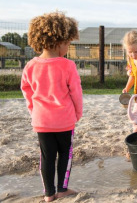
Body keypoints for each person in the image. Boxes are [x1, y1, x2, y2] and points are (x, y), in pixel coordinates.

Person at [21, 11, 82, 202]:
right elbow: (76, 93)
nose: (68, 47)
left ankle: (49, 194)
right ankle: (62, 189)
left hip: (41, 121)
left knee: (46, 157)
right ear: (59, 41)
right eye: (68, 43)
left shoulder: (30, 65)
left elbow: (26, 91)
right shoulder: (67, 65)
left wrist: (34, 110)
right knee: (65, 154)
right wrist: (77, 113)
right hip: (64, 121)